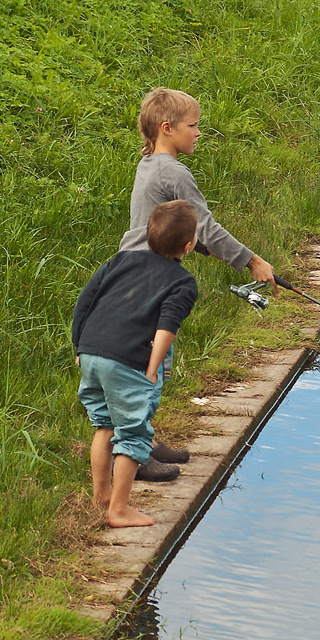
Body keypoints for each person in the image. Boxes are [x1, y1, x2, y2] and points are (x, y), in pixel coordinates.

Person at [120, 86, 277, 481]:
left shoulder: (148, 165)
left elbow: (185, 230)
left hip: (134, 267)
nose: (198, 133)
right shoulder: (174, 172)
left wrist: (204, 250)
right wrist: (251, 260)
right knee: (152, 360)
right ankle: (136, 454)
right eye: (193, 126)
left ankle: (147, 438)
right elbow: (205, 225)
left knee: (153, 354)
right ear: (167, 128)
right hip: (152, 273)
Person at [73, 200, 199, 527]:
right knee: (133, 433)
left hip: (91, 352)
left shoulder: (121, 260)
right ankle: (118, 510)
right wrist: (153, 368)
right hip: (127, 361)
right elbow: (166, 327)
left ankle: (101, 498)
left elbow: (85, 301)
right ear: (188, 246)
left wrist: (79, 346)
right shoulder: (183, 282)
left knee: (104, 426)